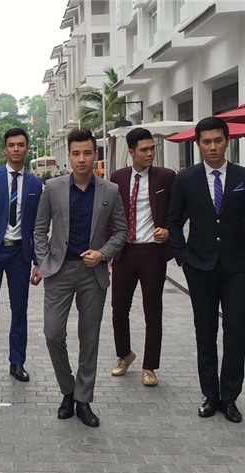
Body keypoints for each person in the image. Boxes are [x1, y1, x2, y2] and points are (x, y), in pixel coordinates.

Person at [33, 129, 127, 428]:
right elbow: (39, 229)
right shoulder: (53, 187)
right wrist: (44, 261)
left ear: (95, 155)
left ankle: (83, 399)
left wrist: (103, 254)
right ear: (69, 156)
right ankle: (68, 390)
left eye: (87, 153)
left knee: (89, 338)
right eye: (76, 153)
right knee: (52, 334)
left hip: (92, 273)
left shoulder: (110, 190)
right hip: (59, 271)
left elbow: (121, 231)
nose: (82, 159)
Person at [168, 116, 245, 423]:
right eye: (206, 142)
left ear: (227, 141)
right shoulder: (186, 179)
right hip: (199, 267)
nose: (212, 147)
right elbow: (173, 221)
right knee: (205, 332)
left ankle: (230, 397)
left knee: (236, 331)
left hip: (237, 268)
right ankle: (210, 396)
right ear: (198, 144)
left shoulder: (241, 176)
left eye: (217, 141)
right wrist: (182, 257)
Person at [0, 127, 43, 383]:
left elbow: (38, 224)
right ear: (5, 149)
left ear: (27, 148)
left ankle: (17, 362)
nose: (16, 149)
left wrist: (38, 261)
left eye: (20, 145)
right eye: (11, 145)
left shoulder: (35, 184)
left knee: (19, 309)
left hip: (20, 254)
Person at [109, 128, 176, 387]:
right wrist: (109, 250)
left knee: (153, 311)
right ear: (131, 152)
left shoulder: (166, 177)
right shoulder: (118, 178)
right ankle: (124, 354)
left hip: (152, 252)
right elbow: (111, 214)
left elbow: (179, 209)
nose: (150, 153)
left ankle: (149, 366)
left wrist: (168, 230)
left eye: (152, 148)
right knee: (118, 309)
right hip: (125, 252)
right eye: (144, 149)